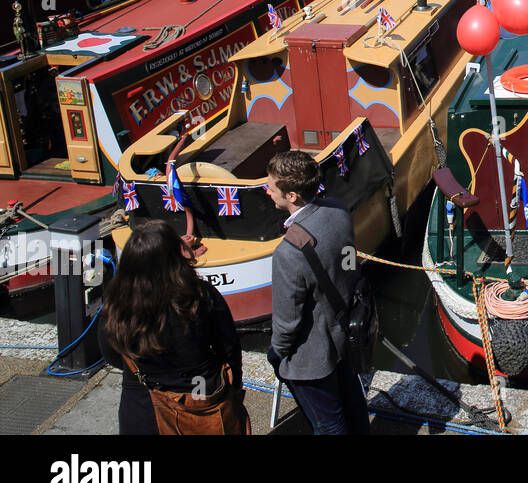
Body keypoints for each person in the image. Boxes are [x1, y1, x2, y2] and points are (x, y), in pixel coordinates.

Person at [98, 219, 246, 435]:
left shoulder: (116, 304)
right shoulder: (200, 296)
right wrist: (234, 389)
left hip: (143, 401)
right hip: (200, 394)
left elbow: (110, 353)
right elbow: (229, 348)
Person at [266, 149, 370, 435]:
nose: (267, 190)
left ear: (291, 196)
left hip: (312, 357)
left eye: (272, 186)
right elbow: (348, 263)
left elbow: (288, 323)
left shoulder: (288, 253)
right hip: (343, 335)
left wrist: (278, 353)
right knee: (353, 403)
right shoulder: (338, 210)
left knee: (328, 423)